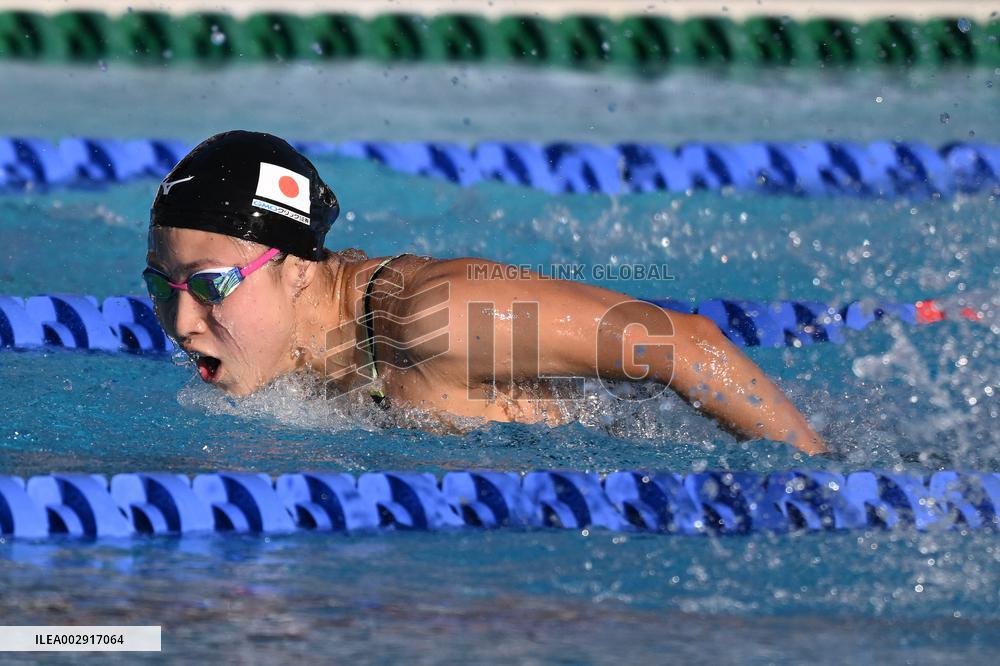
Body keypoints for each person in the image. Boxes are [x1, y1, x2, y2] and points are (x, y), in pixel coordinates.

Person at [145, 130, 828, 455]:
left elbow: (683, 344)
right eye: (163, 286)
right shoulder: (297, 365)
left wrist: (819, 483)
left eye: (210, 287)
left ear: (297, 268)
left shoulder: (436, 318)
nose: (180, 321)